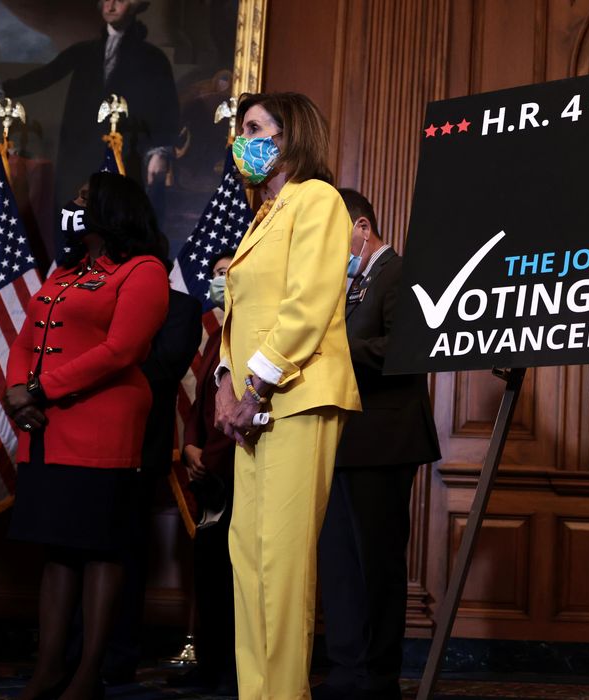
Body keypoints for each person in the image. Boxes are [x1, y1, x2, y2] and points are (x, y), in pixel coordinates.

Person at [215, 92, 361, 699]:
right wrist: (226, 382)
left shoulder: (317, 199)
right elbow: (237, 309)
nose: (239, 140)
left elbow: (307, 306)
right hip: (254, 405)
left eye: (252, 128)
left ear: (287, 135)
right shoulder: (263, 213)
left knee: (281, 566)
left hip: (296, 396)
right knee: (247, 561)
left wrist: (254, 384)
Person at [3, 170, 169, 700]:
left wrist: (38, 389)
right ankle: (48, 669)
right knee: (58, 552)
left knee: (100, 549)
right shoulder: (67, 271)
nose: (74, 206)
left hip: (102, 426)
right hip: (48, 428)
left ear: (112, 209)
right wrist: (16, 391)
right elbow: (27, 335)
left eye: (83, 198)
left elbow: (122, 350)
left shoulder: (143, 271)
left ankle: (86, 675)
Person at [315, 190, 441, 700]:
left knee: (376, 563)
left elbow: (409, 347)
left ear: (361, 228)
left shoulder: (399, 273)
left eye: (334, 236)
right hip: (340, 440)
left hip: (385, 440)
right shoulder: (347, 284)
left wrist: (335, 346)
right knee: (339, 564)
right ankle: (345, 672)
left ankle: (377, 678)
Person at [0, 0, 179, 226]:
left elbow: (166, 108)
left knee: (119, 223)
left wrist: (160, 151)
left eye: (120, 0)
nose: (111, 6)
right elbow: (46, 75)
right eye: (107, 0)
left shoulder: (152, 59)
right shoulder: (85, 51)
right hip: (80, 155)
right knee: (75, 223)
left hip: (126, 156)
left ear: (134, 6)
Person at [99, 236, 202, 683]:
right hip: (85, 446)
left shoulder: (181, 308)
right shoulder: (102, 297)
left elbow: (162, 369)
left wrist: (103, 364)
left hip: (142, 449)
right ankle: (75, 651)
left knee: (128, 554)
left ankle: (119, 657)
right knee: (82, 549)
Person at [172, 249, 238, 694]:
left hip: (236, 468)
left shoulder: (251, 327)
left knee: (235, 579)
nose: (220, 281)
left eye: (228, 274)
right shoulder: (217, 332)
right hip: (206, 468)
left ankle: (233, 668)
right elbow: (201, 399)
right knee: (209, 572)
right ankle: (210, 662)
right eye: (215, 274)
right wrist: (189, 446)